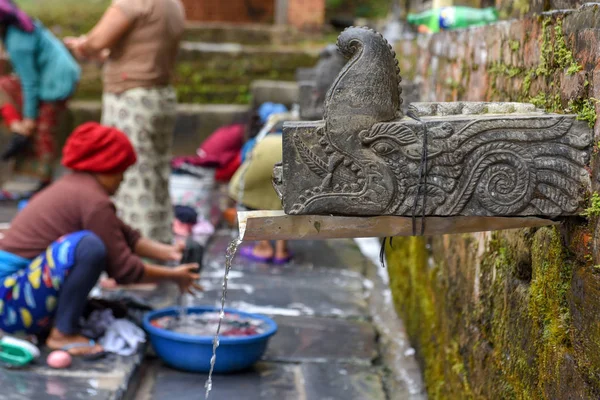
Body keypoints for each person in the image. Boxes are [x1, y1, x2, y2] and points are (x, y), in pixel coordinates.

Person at [0, 122, 201, 355]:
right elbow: (123, 269)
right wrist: (174, 276)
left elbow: (126, 236)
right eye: (120, 171)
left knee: (91, 249)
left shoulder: (76, 187)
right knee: (89, 247)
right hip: (9, 302)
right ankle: (62, 335)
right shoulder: (93, 201)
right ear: (104, 167)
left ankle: (59, 323)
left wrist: (170, 252)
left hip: (13, 296)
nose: (122, 180)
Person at [64, 0, 185, 244]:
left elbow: (97, 40)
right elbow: (143, 46)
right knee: (155, 173)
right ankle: (160, 245)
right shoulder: (174, 4)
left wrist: (82, 45)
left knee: (130, 177)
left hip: (132, 98)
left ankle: (140, 262)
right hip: (160, 94)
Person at [0, 0, 80, 199]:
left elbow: (30, 82)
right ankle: (42, 185)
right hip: (59, 76)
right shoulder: (21, 27)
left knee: (42, 130)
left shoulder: (17, 41)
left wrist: (28, 118)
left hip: (55, 83)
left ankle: (45, 188)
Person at [228, 104, 292, 264]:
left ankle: (264, 247)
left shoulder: (258, 140)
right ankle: (281, 251)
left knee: (259, 203)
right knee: (283, 206)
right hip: (286, 183)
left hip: (257, 182)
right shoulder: (294, 140)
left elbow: (244, 162)